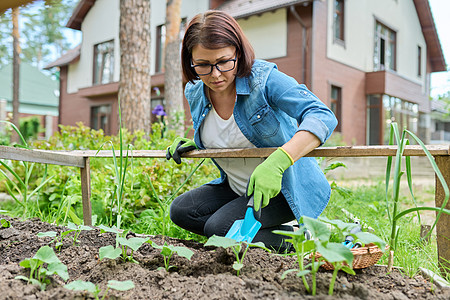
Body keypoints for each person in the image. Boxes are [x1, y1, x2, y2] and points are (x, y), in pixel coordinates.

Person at [166, 10, 338, 251]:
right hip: (238, 188)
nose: (215, 75)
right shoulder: (195, 91)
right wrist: (198, 140)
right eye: (203, 65)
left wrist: (279, 161)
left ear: (238, 52)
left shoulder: (264, 80)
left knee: (218, 229)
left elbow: (322, 115)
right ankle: (273, 235)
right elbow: (229, 131)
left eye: (224, 62)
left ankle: (306, 241)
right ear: (190, 62)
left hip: (283, 189)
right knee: (182, 211)